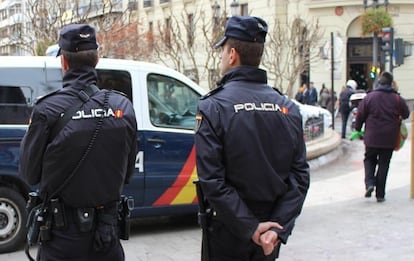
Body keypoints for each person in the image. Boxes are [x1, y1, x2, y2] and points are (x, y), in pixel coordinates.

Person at [194, 16, 310, 260]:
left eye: (223, 51)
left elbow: (212, 180)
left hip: (228, 232)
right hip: (269, 235)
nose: (222, 57)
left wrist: (249, 227)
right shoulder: (288, 108)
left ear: (232, 54)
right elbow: (299, 176)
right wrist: (276, 227)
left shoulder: (213, 106)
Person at [19, 24, 137, 260]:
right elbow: (127, 174)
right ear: (97, 59)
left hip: (63, 243)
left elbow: (29, 174)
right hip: (107, 239)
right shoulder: (123, 107)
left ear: (63, 62)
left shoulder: (47, 110)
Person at [355, 72, 409, 203]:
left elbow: (360, 114)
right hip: (389, 138)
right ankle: (380, 194)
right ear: (391, 83)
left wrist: (358, 128)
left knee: (369, 159)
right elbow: (406, 113)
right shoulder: (397, 99)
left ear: (379, 82)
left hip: (372, 137)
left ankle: (369, 184)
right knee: (384, 164)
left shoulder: (369, 97)